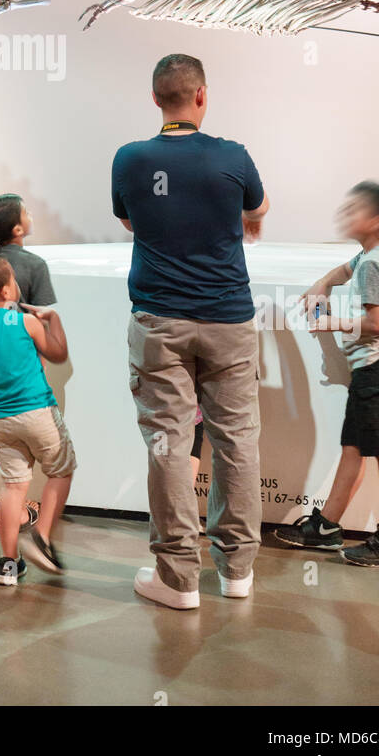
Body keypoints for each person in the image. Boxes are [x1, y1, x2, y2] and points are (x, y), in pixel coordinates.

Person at [111, 54, 269, 610]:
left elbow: (130, 220)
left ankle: (178, 579)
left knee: (169, 445)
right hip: (229, 318)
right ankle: (238, 572)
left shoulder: (130, 159)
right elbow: (259, 208)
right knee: (237, 442)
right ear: (201, 96)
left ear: (156, 99)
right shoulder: (233, 156)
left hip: (159, 320)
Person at [276, 182, 379, 567]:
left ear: (378, 219)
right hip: (378, 365)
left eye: (355, 210)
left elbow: (377, 323)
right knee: (353, 448)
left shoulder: (372, 265)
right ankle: (327, 527)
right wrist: (322, 283)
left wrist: (330, 321)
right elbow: (343, 270)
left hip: (378, 362)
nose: (345, 215)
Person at [0, 253, 76, 585]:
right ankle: (43, 537)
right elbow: (58, 354)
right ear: (7, 291)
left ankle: (8, 564)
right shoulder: (25, 322)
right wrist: (55, 322)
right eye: (13, 280)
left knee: (12, 487)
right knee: (61, 470)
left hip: (0, 421)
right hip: (39, 412)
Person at [0, 193, 55, 536]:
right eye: (27, 212)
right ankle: (17, 509)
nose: (32, 214)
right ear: (18, 227)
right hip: (25, 368)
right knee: (24, 438)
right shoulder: (35, 265)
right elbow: (42, 319)